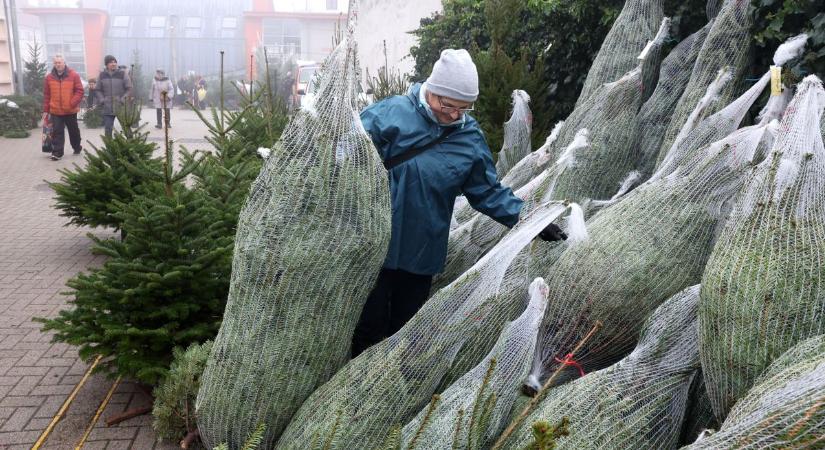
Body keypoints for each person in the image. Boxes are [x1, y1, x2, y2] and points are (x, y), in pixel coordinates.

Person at [351, 49, 567, 357]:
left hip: (420, 256)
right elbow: (346, 156)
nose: (453, 115)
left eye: (463, 108)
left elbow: (489, 193)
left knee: (404, 334)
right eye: (447, 105)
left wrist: (532, 220)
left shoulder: (469, 139)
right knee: (367, 330)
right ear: (432, 90)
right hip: (374, 248)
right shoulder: (389, 115)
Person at [41, 53, 84, 160]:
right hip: (55, 111)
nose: (58, 64)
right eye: (55, 63)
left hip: (70, 110)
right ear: (53, 64)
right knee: (57, 132)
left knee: (73, 131)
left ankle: (77, 147)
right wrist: (46, 110)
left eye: (59, 62)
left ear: (64, 63)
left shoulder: (74, 75)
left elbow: (79, 91)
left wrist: (72, 102)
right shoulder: (49, 78)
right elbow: (47, 95)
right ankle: (57, 152)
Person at [95, 55, 133, 138]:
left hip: (121, 107)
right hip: (107, 107)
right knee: (108, 129)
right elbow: (98, 89)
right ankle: (109, 148)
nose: (113, 64)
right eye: (111, 62)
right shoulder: (102, 75)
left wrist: (123, 100)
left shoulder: (123, 74)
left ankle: (132, 146)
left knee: (126, 128)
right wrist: (102, 100)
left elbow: (129, 88)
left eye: (115, 62)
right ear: (106, 65)